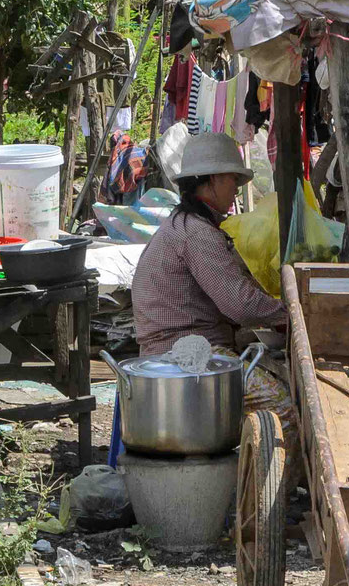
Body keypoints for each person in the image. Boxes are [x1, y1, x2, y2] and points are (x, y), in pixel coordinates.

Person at [128, 132, 299, 484]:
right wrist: (292, 315)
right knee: (284, 408)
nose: (236, 187)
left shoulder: (190, 226)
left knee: (281, 381)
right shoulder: (195, 233)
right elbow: (239, 303)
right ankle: (265, 499)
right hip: (184, 355)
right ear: (213, 179)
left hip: (183, 349)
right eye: (233, 180)